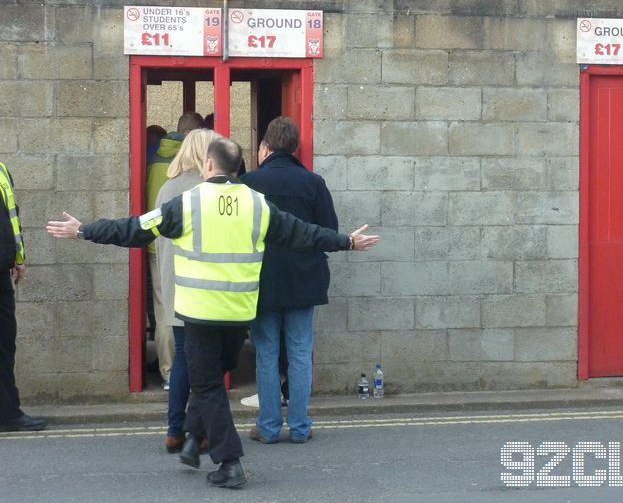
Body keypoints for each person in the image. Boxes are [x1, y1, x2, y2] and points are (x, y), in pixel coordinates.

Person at [47, 138, 378, 489]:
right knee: (211, 379)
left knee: (206, 387)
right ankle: (192, 438)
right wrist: (347, 242)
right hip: (239, 316)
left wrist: (84, 230)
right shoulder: (258, 204)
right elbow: (303, 234)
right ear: (238, 169)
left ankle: (229, 462)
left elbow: (134, 228)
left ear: (207, 165)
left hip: (201, 316)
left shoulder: (187, 203)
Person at [241, 117, 337, 445]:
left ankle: (268, 427)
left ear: (265, 146)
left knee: (266, 352)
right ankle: (299, 426)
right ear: (295, 147)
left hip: (262, 279)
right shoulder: (313, 183)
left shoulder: (249, 182)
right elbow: (329, 233)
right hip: (304, 279)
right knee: (299, 351)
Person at [155, 128, 222, 454]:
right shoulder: (206, 189)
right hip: (203, 285)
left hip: (172, 280)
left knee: (183, 357)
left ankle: (173, 430)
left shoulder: (168, 188)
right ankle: (200, 430)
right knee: (204, 362)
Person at [147, 112, 204, 388]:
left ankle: (169, 371)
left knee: (164, 309)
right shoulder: (197, 167)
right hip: (194, 244)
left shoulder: (153, 158)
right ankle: (191, 369)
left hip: (156, 243)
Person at [0, 162, 46, 432]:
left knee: (5, 346)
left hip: (2, 271)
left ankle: (7, 412)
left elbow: (11, 217)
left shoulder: (3, 169)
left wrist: (19, 259)